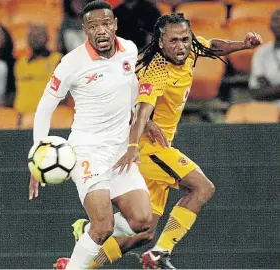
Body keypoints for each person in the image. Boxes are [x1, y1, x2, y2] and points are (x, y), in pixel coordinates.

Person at [56, 13, 262, 270]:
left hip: (156, 148)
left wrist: (242, 44)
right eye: (174, 41)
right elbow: (143, 107)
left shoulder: (189, 49)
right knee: (202, 188)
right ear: (161, 43)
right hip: (148, 149)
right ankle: (159, 254)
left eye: (185, 39)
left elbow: (211, 46)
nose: (181, 45)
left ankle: (80, 262)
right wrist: (134, 143)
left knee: (142, 233)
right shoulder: (156, 70)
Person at [28, 1, 153, 269]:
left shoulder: (129, 49)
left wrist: (142, 119)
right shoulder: (71, 63)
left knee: (143, 222)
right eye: (93, 26)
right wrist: (39, 152)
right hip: (88, 151)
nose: (101, 30)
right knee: (104, 227)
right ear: (85, 29)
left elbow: (133, 87)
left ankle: (86, 231)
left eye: (106, 23)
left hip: (119, 151)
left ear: (115, 25)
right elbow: (44, 108)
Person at [14, 24, 62, 114]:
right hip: (22, 117)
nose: (35, 38)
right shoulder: (19, 63)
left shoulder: (57, 59)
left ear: (47, 38)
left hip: (49, 115)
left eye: (39, 34)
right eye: (32, 35)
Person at [249, 9, 280, 108]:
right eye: (276, 21)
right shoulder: (261, 53)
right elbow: (257, 92)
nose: (279, 24)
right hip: (269, 108)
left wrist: (273, 89)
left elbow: (267, 90)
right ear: (270, 26)